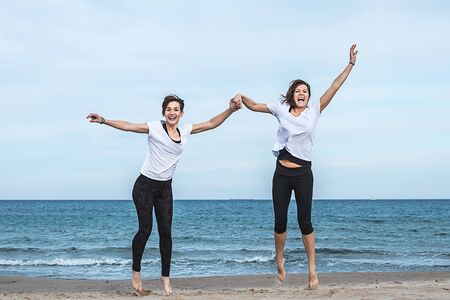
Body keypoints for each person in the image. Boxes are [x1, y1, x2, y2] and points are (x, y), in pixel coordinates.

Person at [87, 95, 241, 296]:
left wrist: (231, 110)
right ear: (164, 112)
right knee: (146, 229)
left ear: (181, 113)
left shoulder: (185, 131)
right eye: (169, 109)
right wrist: (104, 120)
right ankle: (136, 272)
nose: (172, 112)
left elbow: (212, 123)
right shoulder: (154, 127)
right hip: (144, 186)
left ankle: (165, 278)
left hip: (165, 189)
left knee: (166, 233)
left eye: (176, 109)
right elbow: (128, 126)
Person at [235, 44, 358, 289]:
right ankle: (280, 263)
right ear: (292, 94)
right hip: (281, 172)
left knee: (305, 222)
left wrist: (351, 64)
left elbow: (335, 85)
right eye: (298, 90)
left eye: (305, 91)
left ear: (308, 96)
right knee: (279, 221)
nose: (302, 93)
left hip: (303, 174)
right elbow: (255, 105)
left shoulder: (315, 110)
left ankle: (312, 269)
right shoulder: (280, 109)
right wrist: (241, 97)